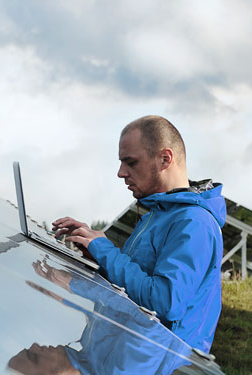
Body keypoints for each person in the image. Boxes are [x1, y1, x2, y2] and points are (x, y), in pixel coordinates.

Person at [51, 115, 225, 353]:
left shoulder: (195, 223)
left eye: (130, 162)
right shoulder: (158, 215)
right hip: (121, 357)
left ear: (165, 159)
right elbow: (134, 287)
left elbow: (165, 302)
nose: (121, 173)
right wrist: (94, 253)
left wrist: (105, 251)